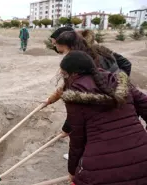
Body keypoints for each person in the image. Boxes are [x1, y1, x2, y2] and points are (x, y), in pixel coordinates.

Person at [59, 50, 147, 184]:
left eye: (63, 74)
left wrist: (72, 171)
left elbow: (77, 142)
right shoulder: (119, 81)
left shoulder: (75, 96)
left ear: (72, 73)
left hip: (100, 169)